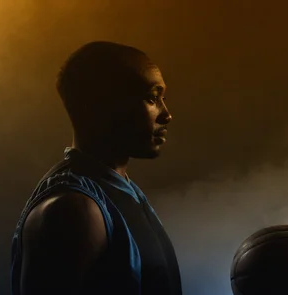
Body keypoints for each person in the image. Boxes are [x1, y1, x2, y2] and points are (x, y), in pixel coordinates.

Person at [10, 41, 182, 295]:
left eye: (162, 98)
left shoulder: (119, 190)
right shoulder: (73, 209)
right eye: (151, 98)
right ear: (101, 104)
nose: (166, 114)